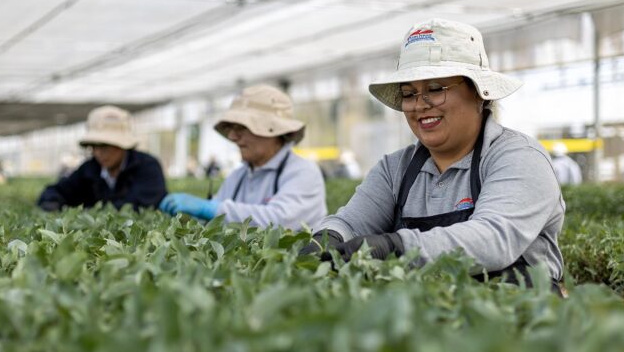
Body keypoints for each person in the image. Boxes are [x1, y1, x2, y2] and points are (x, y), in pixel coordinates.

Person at [301, 18, 565, 293]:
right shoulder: (395, 169)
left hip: (522, 320)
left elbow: (493, 240)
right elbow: (351, 223)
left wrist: (397, 247)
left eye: (436, 89)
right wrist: (328, 238)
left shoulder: (518, 157)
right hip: (432, 318)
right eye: (409, 94)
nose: (419, 105)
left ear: (479, 93)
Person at [160, 85, 327, 230]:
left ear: (272, 130)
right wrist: (191, 217)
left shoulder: (302, 172)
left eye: (241, 128)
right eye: (231, 128)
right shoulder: (237, 177)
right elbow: (214, 223)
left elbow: (279, 221)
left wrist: (210, 209)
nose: (232, 137)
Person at [37, 105, 167, 211]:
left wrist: (87, 211)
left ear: (121, 145)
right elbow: (58, 190)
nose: (98, 153)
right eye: (93, 146)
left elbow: (140, 205)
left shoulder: (148, 166)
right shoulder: (89, 169)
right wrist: (52, 202)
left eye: (105, 146)